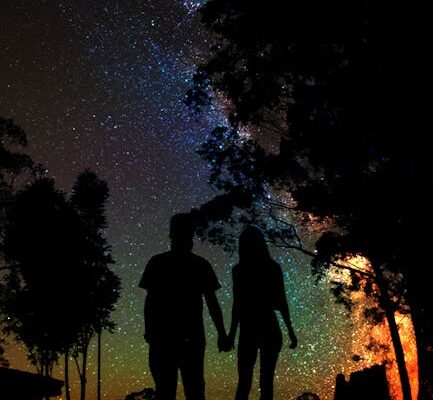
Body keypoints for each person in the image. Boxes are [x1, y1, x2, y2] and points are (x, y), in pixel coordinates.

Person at [139, 213, 227, 400]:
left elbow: (150, 301)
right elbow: (212, 302)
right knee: (194, 390)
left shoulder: (157, 262)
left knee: (165, 390)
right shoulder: (200, 265)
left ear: (171, 234)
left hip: (163, 337)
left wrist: (149, 330)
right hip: (190, 337)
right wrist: (221, 333)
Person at [227, 226, 298, 400]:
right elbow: (281, 301)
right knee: (266, 383)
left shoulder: (239, 270)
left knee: (245, 382)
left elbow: (237, 305)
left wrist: (231, 335)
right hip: (269, 327)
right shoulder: (272, 268)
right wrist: (290, 330)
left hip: (248, 329)